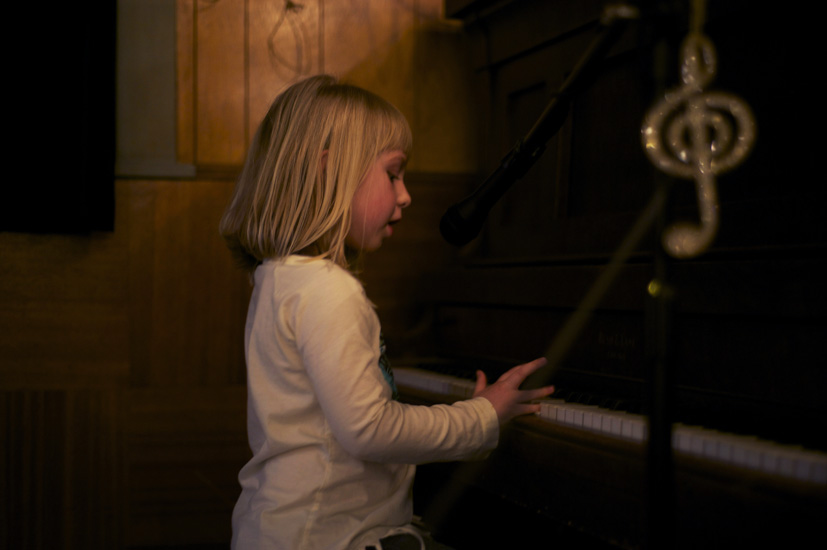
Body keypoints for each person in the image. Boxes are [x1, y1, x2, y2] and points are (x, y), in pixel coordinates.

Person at [219, 74, 554, 550]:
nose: (405, 195)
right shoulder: (328, 289)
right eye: (393, 173)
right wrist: (479, 416)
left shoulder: (280, 277)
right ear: (327, 169)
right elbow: (370, 430)